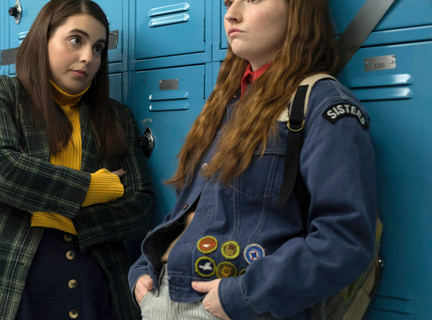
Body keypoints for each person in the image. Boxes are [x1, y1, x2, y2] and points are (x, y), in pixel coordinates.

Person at [129, 0, 377, 319]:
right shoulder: (227, 102)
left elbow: (344, 240)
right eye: (229, 2)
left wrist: (244, 295)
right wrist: (142, 269)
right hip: (164, 298)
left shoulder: (322, 104)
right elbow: (192, 210)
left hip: (230, 308)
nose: (231, 14)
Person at [0, 1, 154, 319]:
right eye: (75, 40)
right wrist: (90, 189)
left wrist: (71, 220)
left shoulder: (116, 117)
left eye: (98, 48)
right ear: (43, 40)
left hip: (94, 278)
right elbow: (1, 170)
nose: (88, 57)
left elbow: (141, 204)